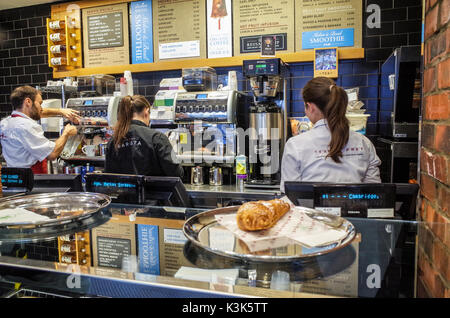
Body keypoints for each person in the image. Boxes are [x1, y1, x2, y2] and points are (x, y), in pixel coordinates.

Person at [280, 77, 381, 193]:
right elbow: (374, 192)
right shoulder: (364, 143)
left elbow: (290, 194)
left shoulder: (295, 145)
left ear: (311, 107)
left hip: (309, 211)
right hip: (356, 209)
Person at [0, 85, 79, 174]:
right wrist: (66, 133)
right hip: (32, 179)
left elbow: (38, 113)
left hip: (15, 178)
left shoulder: (5, 123)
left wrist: (61, 111)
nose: (41, 108)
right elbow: (52, 154)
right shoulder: (27, 126)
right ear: (28, 102)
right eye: (40, 103)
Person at [104, 95, 184, 178]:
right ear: (146, 111)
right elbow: (176, 173)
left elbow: (108, 177)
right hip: (154, 190)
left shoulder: (113, 141)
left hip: (124, 190)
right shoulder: (156, 138)